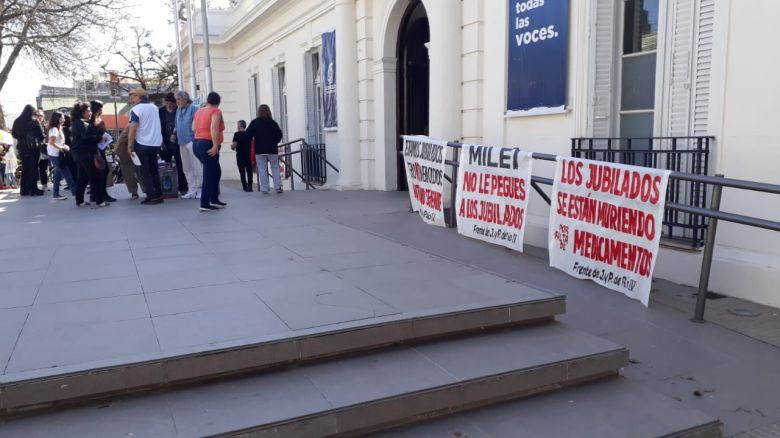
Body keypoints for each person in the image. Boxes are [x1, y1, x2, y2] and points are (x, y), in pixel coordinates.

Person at [127, 87, 164, 205]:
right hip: (155, 143)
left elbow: (133, 127)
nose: (131, 97)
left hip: (142, 143)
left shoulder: (136, 109)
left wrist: (129, 145)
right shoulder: (154, 108)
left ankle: (151, 196)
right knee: (154, 170)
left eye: (132, 95)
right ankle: (159, 194)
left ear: (138, 96)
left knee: (145, 172)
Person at [192, 91, 226, 212]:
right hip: (208, 144)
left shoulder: (199, 111)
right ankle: (205, 202)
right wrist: (215, 145)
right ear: (218, 102)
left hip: (197, 144)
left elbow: (193, 127)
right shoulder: (216, 111)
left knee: (216, 171)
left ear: (207, 101)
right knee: (210, 173)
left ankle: (214, 199)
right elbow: (214, 127)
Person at [70, 102, 107, 207]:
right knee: (94, 176)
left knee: (83, 177)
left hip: (81, 153)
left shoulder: (79, 122)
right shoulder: (81, 123)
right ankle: (100, 201)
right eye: (88, 110)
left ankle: (79, 200)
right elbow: (86, 137)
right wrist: (100, 138)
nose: (90, 112)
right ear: (82, 112)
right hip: (86, 153)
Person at [245, 104, 284, 194]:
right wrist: (275, 142)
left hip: (260, 149)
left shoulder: (254, 122)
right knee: (275, 168)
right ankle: (278, 187)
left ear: (259, 112)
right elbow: (279, 134)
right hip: (272, 149)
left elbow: (248, 134)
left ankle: (265, 188)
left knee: (262, 169)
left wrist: (254, 139)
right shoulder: (273, 123)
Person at [11, 105, 44, 196]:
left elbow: (14, 135)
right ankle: (34, 189)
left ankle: (24, 189)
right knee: (33, 168)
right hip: (33, 148)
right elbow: (42, 136)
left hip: (22, 148)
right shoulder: (34, 121)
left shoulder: (17, 121)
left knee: (25, 168)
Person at [159, 92, 188, 197]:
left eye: (172, 103)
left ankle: (183, 187)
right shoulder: (160, 111)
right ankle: (165, 188)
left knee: (180, 165)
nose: (169, 105)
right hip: (164, 141)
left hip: (177, 141)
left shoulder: (179, 111)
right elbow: (157, 126)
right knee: (164, 165)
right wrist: (160, 140)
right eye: (167, 103)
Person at [175, 90, 201, 199]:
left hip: (192, 140)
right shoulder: (178, 110)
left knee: (197, 167)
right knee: (186, 167)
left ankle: (201, 190)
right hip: (181, 141)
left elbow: (198, 124)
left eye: (179, 99)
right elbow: (177, 124)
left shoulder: (194, 108)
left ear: (185, 99)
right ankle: (192, 190)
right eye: (176, 100)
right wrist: (174, 133)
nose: (177, 102)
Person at [46, 111, 77, 200]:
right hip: (55, 155)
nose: (64, 119)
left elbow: (58, 142)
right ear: (58, 119)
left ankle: (56, 194)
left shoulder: (58, 128)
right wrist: (62, 148)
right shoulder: (54, 129)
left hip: (57, 154)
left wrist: (64, 146)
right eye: (62, 117)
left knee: (58, 175)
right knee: (67, 174)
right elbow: (51, 142)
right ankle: (76, 193)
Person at [90, 100, 115, 202]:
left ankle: (100, 193)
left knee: (104, 171)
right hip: (95, 150)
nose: (101, 111)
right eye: (100, 109)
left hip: (102, 148)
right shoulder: (91, 122)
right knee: (100, 172)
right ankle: (99, 194)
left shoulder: (99, 119)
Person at [114, 126, 141, 199]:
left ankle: (135, 192)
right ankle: (144, 191)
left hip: (130, 151)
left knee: (130, 173)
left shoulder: (129, 126)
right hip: (127, 152)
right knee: (138, 173)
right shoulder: (131, 126)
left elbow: (121, 140)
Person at [231, 120, 253, 191]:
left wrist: (232, 146)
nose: (237, 126)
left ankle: (245, 187)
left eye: (237, 125)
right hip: (248, 155)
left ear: (240, 126)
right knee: (249, 171)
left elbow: (234, 145)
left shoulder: (237, 134)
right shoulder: (249, 134)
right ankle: (250, 186)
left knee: (242, 172)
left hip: (240, 155)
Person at [35, 110, 50, 191]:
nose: (39, 117)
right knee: (36, 169)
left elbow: (47, 138)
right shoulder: (33, 125)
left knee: (43, 168)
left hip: (44, 150)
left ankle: (44, 184)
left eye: (41, 116)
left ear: (43, 117)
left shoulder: (45, 126)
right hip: (35, 150)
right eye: (37, 115)